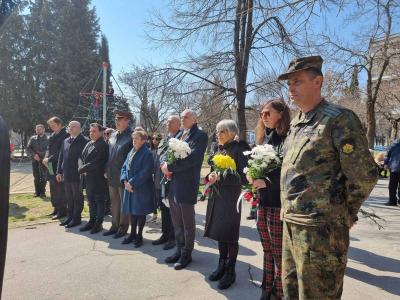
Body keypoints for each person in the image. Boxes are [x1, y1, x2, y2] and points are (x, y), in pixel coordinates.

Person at [278, 56, 378, 299]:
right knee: (291, 291)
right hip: (291, 224)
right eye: (289, 82)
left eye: (298, 81)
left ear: (318, 82)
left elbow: (364, 175)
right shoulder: (297, 123)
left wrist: (345, 213)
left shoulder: (338, 119)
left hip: (321, 231)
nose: (291, 87)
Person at [250, 99, 290, 300]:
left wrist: (267, 182)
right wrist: (250, 174)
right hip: (262, 203)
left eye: (267, 113)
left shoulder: (287, 139)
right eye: (261, 114)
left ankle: (279, 291)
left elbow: (288, 173)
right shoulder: (263, 139)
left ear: (280, 115)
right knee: (267, 250)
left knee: (279, 254)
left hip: (277, 204)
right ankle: (266, 288)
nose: (263, 117)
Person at [204, 120, 249, 290]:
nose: (218, 134)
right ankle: (221, 265)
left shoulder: (239, 148)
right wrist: (209, 177)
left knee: (230, 235)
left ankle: (231, 271)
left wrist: (220, 177)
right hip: (217, 197)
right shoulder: (219, 149)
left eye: (222, 131)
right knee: (220, 233)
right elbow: (213, 170)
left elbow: (243, 176)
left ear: (232, 133)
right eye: (217, 131)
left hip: (230, 199)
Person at [161, 109, 208, 270]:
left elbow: (193, 159)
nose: (182, 119)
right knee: (176, 221)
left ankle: (187, 254)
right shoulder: (180, 134)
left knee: (187, 223)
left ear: (195, 119)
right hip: (173, 183)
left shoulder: (200, 135)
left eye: (186, 117)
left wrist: (170, 167)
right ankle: (179, 249)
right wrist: (164, 165)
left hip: (187, 184)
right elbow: (166, 153)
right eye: (181, 117)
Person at [120, 130, 155, 248]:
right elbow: (124, 167)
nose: (133, 140)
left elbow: (146, 172)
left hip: (141, 188)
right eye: (133, 138)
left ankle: (139, 236)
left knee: (140, 213)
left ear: (143, 140)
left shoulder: (147, 153)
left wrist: (131, 183)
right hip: (129, 187)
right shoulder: (132, 150)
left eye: (136, 138)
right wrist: (124, 180)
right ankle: (132, 234)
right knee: (132, 212)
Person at [153, 116, 181, 250]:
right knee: (164, 209)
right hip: (160, 179)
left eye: (170, 122)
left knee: (172, 211)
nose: (167, 124)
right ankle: (165, 234)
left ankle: (172, 238)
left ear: (178, 124)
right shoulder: (164, 139)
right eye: (167, 122)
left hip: (171, 180)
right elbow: (160, 157)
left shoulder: (181, 138)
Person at [104, 110, 133, 238]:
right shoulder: (113, 135)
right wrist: (106, 169)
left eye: (119, 119)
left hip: (123, 176)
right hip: (111, 174)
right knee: (114, 202)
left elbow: (132, 159)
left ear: (127, 120)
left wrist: (127, 176)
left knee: (123, 203)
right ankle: (114, 225)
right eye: (116, 119)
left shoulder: (132, 136)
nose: (116, 121)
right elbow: (109, 155)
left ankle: (122, 228)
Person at [56, 121, 89, 228]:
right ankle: (70, 217)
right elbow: (61, 157)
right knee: (69, 197)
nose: (71, 128)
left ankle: (76, 218)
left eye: (74, 126)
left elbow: (86, 158)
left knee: (77, 197)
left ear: (79, 129)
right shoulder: (65, 140)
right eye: (70, 126)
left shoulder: (85, 141)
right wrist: (59, 172)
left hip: (78, 174)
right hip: (66, 174)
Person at [78, 123, 109, 234]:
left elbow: (97, 162)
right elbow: (81, 157)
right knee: (91, 201)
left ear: (101, 132)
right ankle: (91, 221)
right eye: (90, 131)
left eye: (94, 131)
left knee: (99, 201)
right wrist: (81, 168)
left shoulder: (103, 145)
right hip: (88, 179)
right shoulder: (89, 143)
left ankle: (98, 223)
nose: (91, 133)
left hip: (99, 179)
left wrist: (83, 169)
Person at [42, 117, 69, 219]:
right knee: (52, 186)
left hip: (59, 164)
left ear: (59, 124)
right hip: (50, 165)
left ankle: (62, 210)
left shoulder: (65, 134)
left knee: (60, 187)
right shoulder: (52, 135)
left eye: (53, 125)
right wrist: (45, 157)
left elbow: (62, 151)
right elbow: (49, 148)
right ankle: (56, 208)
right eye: (50, 125)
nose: (51, 127)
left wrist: (49, 158)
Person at [27, 124, 48, 197]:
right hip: (35, 160)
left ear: (43, 129)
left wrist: (41, 156)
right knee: (36, 176)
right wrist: (34, 155)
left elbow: (49, 150)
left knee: (44, 176)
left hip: (45, 160)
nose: (38, 131)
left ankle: (43, 192)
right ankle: (37, 192)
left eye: (40, 129)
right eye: (37, 129)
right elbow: (28, 148)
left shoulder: (48, 138)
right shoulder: (33, 138)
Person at [384, 139, 400, 206]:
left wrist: (386, 163)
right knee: (392, 186)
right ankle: (392, 201)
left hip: (394, 167)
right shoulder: (394, 144)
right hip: (394, 167)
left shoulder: (394, 144)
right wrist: (386, 163)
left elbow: (387, 155)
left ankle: (394, 201)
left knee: (393, 186)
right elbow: (387, 154)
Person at [103, 127, 115, 216]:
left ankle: (111, 209)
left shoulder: (114, 144)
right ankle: (106, 208)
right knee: (106, 192)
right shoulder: (105, 143)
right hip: (105, 172)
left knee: (112, 193)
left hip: (113, 172)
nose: (106, 135)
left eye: (108, 133)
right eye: (105, 134)